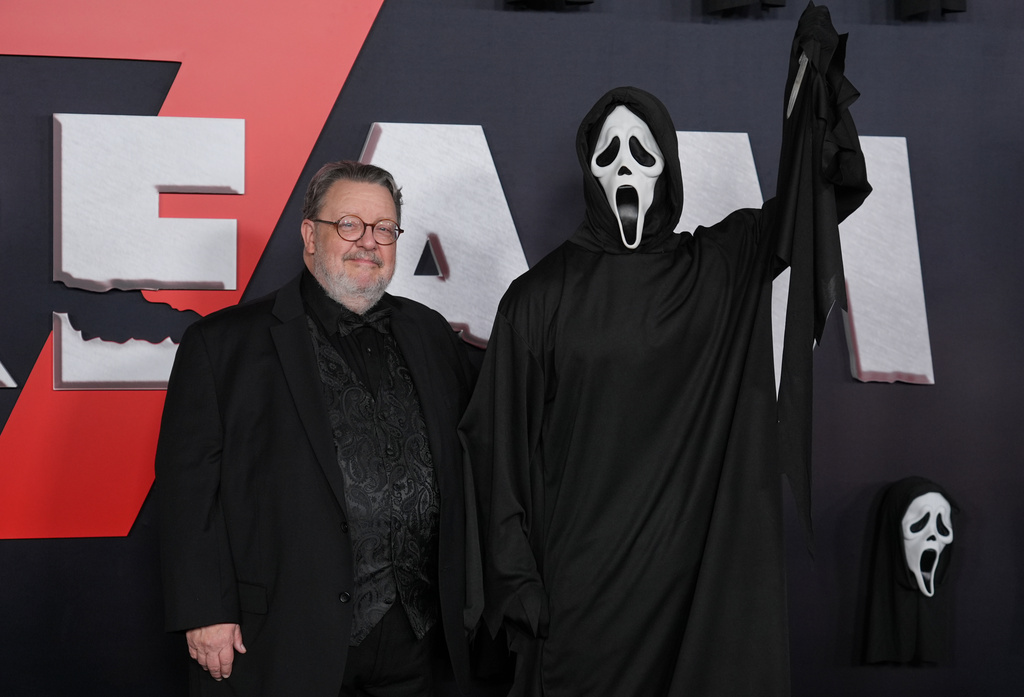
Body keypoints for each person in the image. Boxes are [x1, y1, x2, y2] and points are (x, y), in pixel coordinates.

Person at [459, 5, 870, 697]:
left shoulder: (719, 263)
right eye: (609, 151)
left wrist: (811, 91)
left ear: (666, 169)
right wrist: (517, 580)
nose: (625, 165)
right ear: (589, 169)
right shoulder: (538, 297)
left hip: (696, 579)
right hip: (584, 585)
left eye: (642, 150)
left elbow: (811, 204)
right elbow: (494, 448)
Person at [156, 161, 477, 696]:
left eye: (384, 229)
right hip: (284, 633)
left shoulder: (430, 333)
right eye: (348, 224)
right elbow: (187, 492)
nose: (368, 242)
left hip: (417, 638)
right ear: (309, 234)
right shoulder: (223, 344)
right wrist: (204, 611)